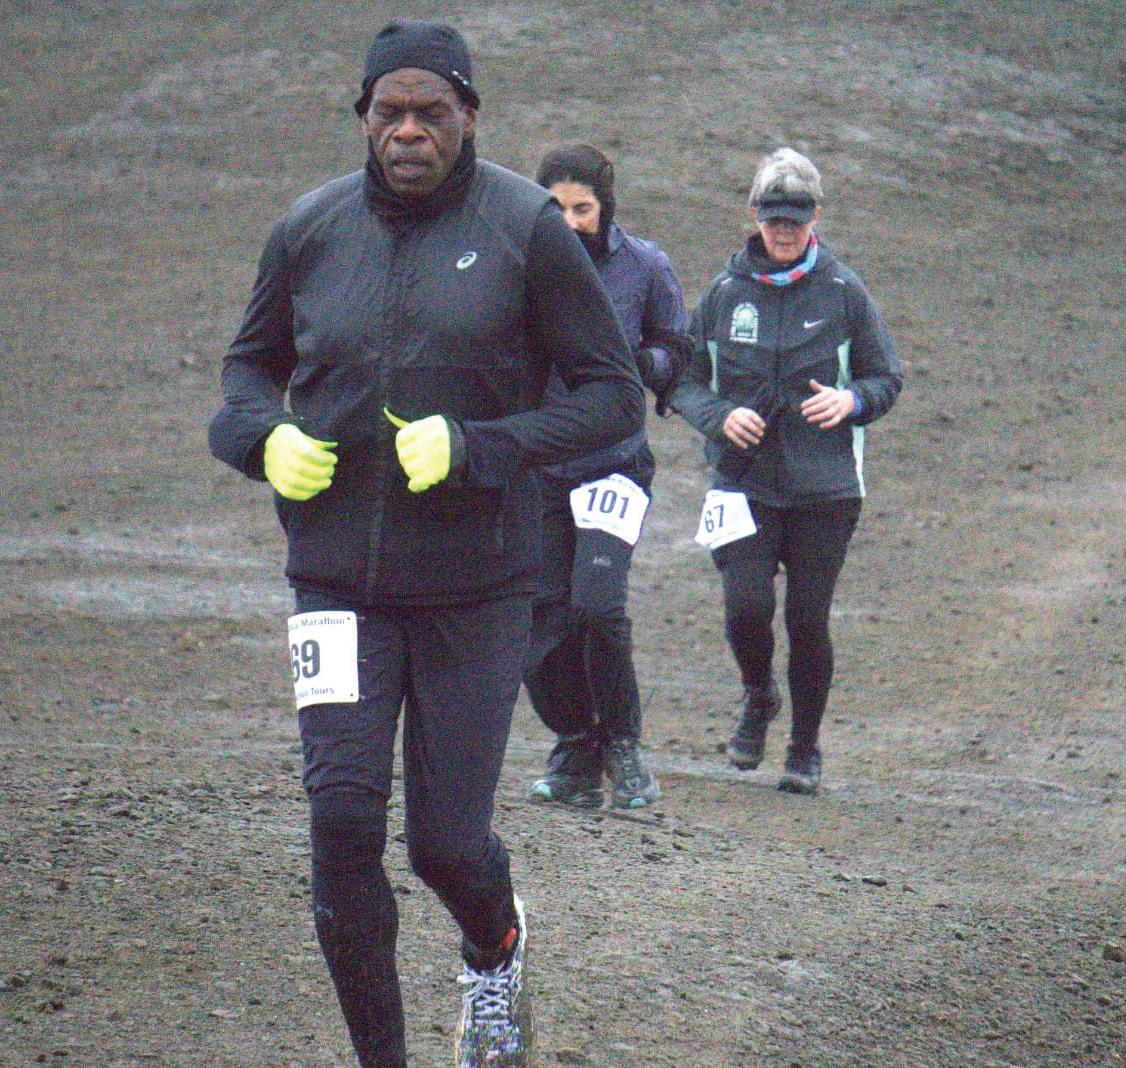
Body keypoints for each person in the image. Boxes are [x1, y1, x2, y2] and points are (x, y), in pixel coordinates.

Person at [207, 20, 643, 1068]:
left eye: (430, 112)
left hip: (477, 589)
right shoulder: (308, 229)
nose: (408, 131)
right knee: (342, 824)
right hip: (336, 584)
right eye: (389, 112)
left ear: (470, 117)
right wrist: (264, 441)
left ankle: (495, 951)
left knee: (445, 847)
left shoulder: (526, 228)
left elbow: (613, 398)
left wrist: (481, 447)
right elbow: (244, 376)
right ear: (363, 117)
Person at [672, 147, 902, 796]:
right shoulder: (723, 294)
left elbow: (886, 377)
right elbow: (681, 380)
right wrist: (718, 417)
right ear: (754, 215)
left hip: (825, 488)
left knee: (806, 620)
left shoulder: (843, 292)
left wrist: (850, 402)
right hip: (741, 483)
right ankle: (757, 694)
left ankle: (804, 748)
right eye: (774, 219)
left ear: (815, 217)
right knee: (745, 607)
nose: (784, 231)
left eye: (796, 220)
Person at [523, 144, 690, 810]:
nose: (569, 221)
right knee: (540, 624)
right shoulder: (516, 263)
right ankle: (576, 748)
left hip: (613, 463)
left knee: (596, 603)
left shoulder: (645, 266)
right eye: (556, 208)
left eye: (582, 208)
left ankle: (623, 746)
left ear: (605, 208)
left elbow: (676, 349)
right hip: (536, 467)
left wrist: (636, 364)